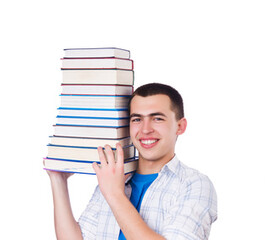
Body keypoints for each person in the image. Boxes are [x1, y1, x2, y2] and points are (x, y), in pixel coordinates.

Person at [47, 83, 217, 239]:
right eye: (137, 119)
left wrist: (114, 194)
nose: (145, 129)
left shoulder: (194, 184)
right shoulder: (114, 180)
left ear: (180, 126)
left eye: (157, 118)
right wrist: (58, 179)